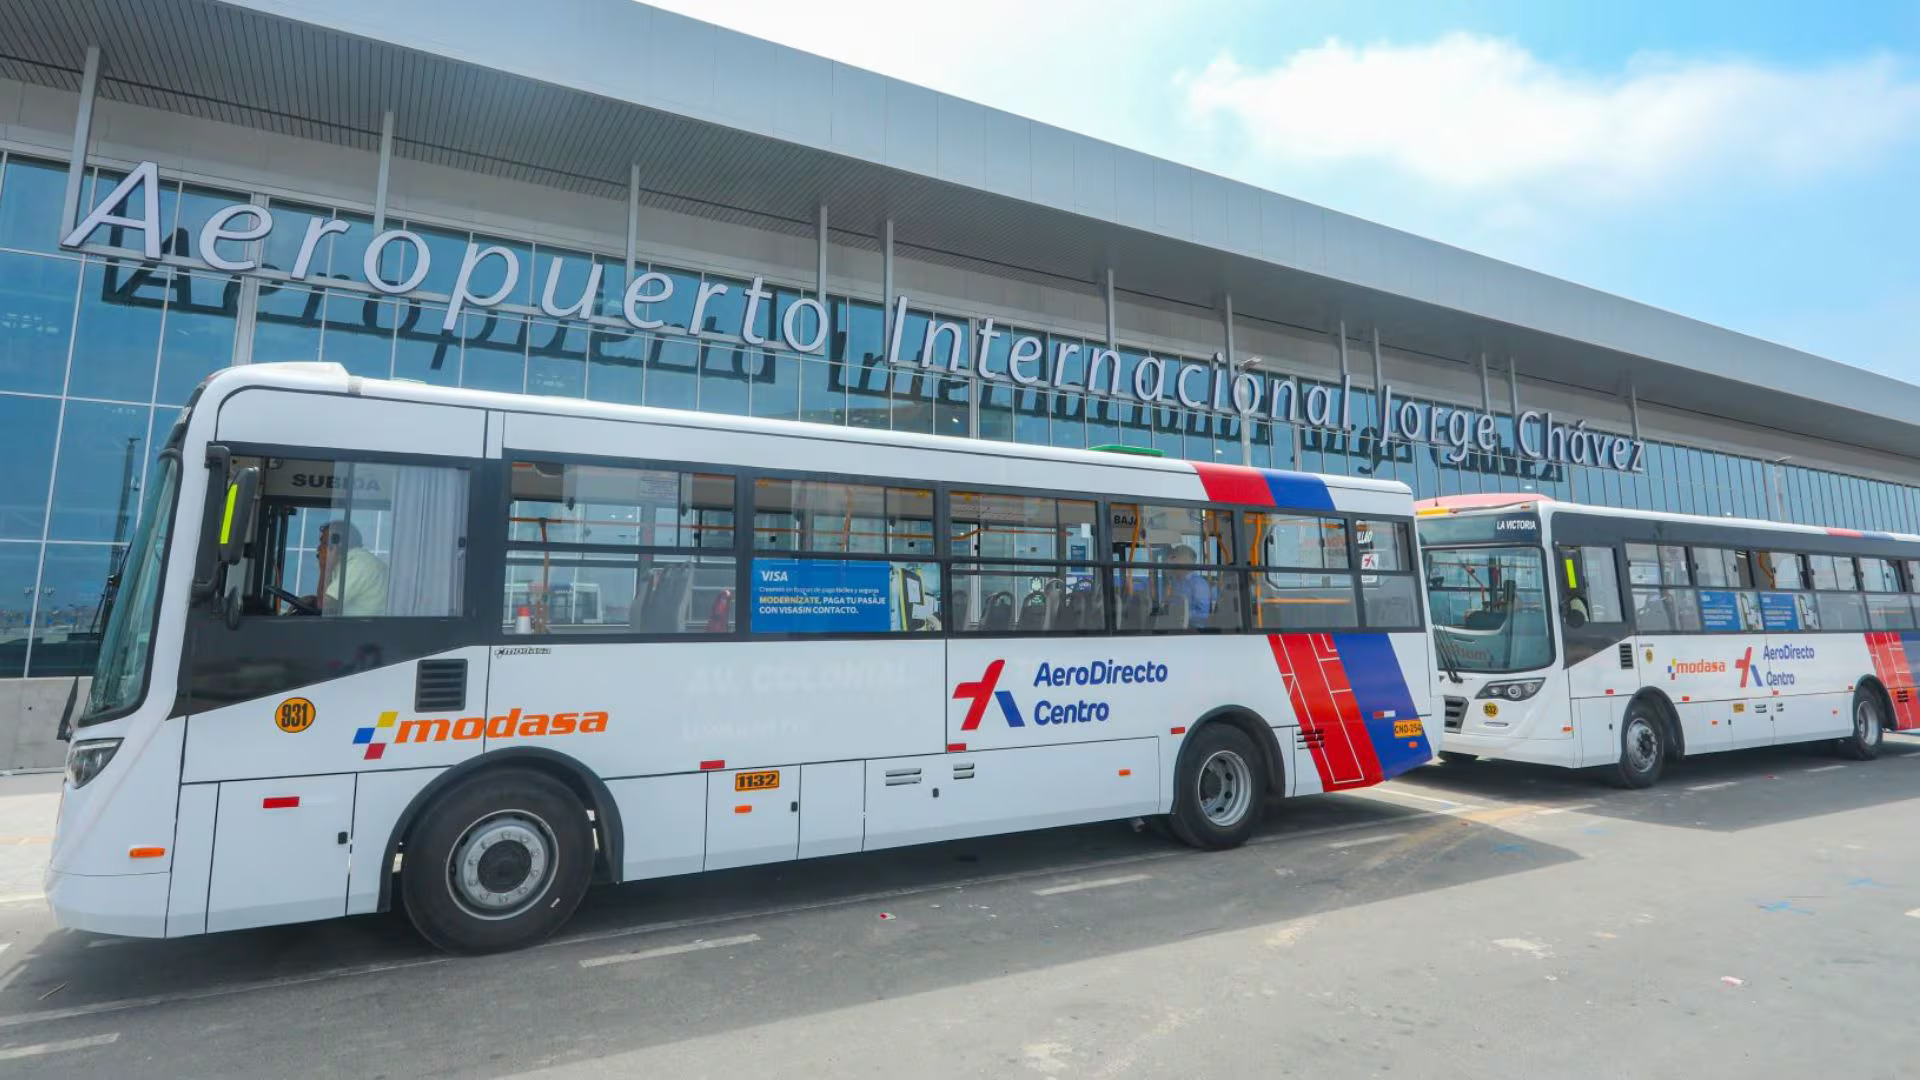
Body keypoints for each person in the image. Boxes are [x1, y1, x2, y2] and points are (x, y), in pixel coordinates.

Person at [302, 520, 389, 616]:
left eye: (323, 543)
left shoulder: (357, 563)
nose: (318, 548)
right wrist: (313, 600)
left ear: (336, 545)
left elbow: (323, 607)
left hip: (367, 629)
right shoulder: (349, 562)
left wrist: (325, 568)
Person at [1165, 543, 1214, 622]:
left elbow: (1203, 614)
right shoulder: (1176, 581)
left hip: (1193, 631)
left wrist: (1182, 615)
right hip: (1176, 625)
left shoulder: (1199, 584)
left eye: (1174, 558)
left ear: (1183, 561)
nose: (1169, 562)